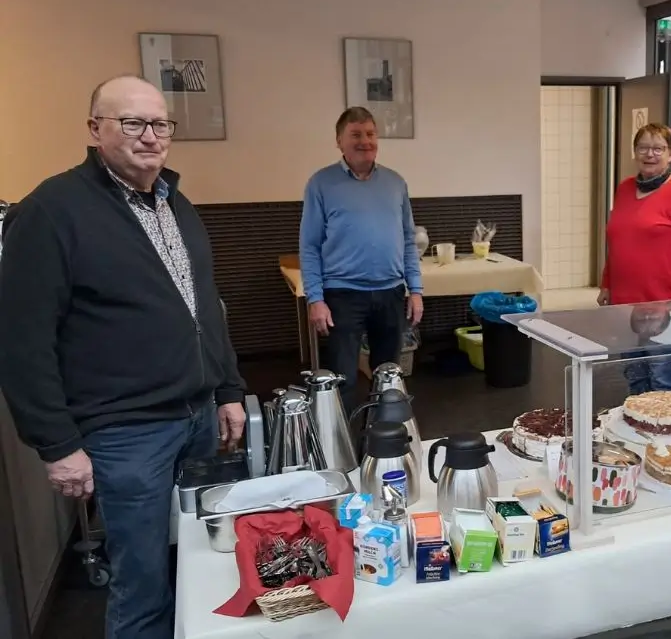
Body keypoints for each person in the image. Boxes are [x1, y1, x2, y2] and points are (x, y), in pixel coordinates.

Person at [0, 75, 247, 639]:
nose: (149, 136)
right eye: (131, 123)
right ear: (95, 130)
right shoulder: (52, 211)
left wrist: (229, 389)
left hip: (199, 419)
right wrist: (57, 444)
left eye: (159, 124)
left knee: (204, 564)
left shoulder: (174, 203)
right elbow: (21, 340)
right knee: (142, 585)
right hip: (126, 432)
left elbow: (204, 307)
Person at [300, 107, 423, 414]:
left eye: (370, 133)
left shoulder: (395, 183)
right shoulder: (321, 184)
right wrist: (316, 298)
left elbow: (408, 239)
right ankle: (343, 453)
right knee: (342, 380)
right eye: (355, 134)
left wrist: (416, 290)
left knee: (389, 378)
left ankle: (383, 443)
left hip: (391, 293)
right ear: (339, 141)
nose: (364, 141)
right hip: (342, 295)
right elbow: (310, 245)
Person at [598, 123, 671, 393]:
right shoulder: (624, 188)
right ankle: (642, 432)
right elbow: (618, 240)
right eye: (643, 147)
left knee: (665, 379)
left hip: (664, 304)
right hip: (625, 304)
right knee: (635, 377)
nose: (650, 154)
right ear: (634, 152)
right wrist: (607, 283)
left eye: (658, 148)